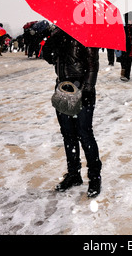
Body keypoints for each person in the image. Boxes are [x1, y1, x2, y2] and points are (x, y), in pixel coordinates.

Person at [42, 27, 102, 196]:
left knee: (84, 133)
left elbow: (92, 64)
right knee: (68, 134)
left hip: (82, 89)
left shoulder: (88, 33)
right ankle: (74, 174)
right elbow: (49, 57)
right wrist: (51, 40)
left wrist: (88, 89)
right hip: (63, 88)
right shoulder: (59, 35)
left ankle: (95, 177)